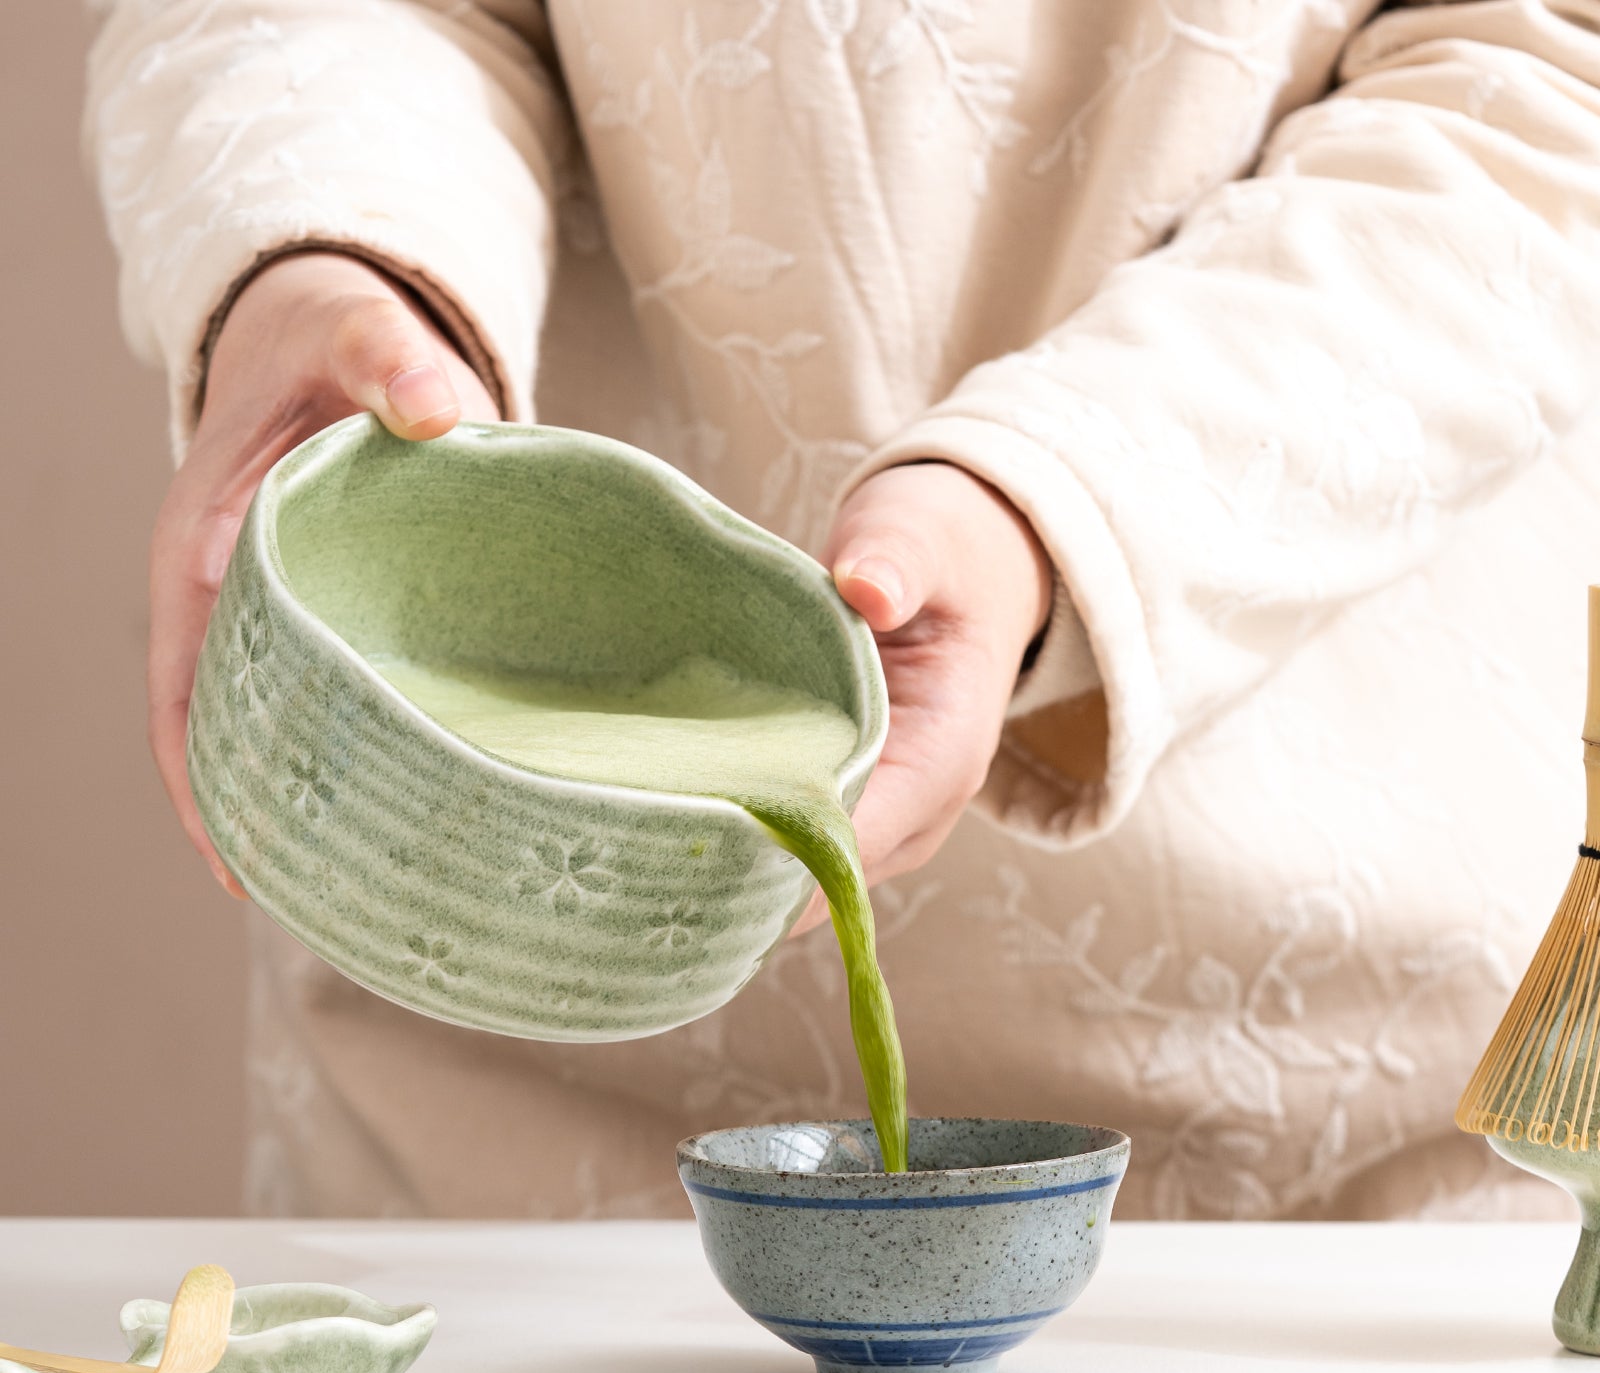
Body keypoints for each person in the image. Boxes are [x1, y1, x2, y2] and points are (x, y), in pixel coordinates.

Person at [85, 0, 1600, 1220]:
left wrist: (1055, 500)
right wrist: (330, 265)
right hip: (514, 1127)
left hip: (1347, 1127)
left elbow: (1546, 67)